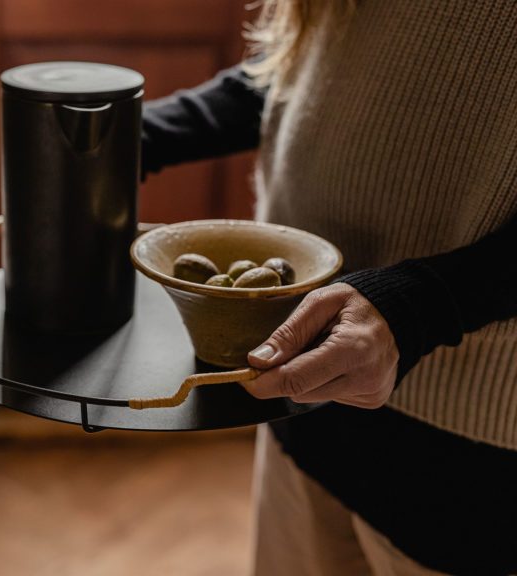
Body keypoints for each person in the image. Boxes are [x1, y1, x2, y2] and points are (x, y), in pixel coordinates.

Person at [140, 1, 517, 575]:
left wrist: (424, 304)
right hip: (302, 401)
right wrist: (155, 132)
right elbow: (316, 63)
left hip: (471, 457)